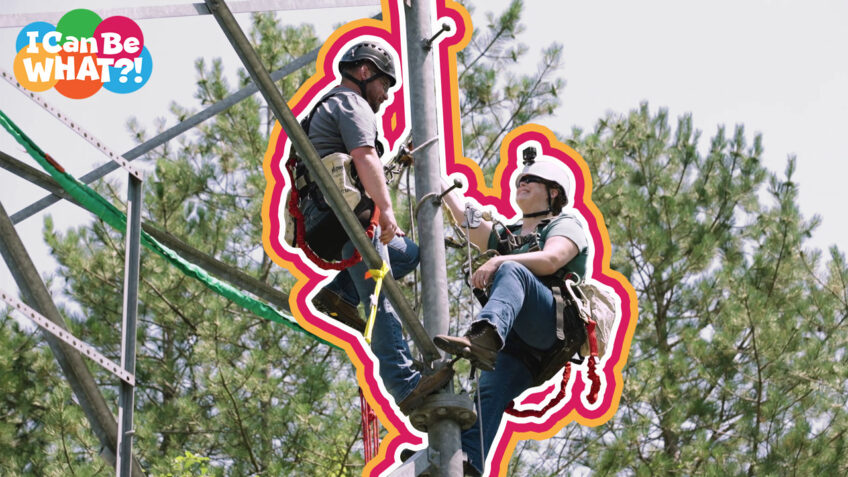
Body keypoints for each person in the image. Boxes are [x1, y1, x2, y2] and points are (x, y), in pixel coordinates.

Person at [295, 41, 453, 413]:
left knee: (408, 254)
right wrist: (385, 210)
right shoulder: (351, 103)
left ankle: (339, 294)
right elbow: (365, 158)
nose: (386, 95)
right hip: (346, 216)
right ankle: (404, 383)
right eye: (384, 84)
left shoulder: (333, 105)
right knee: (379, 294)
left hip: (331, 214)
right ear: (364, 72)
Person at [437, 151, 591, 475]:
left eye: (530, 180)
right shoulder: (511, 235)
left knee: (512, 272)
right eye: (519, 180)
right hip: (518, 351)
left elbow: (551, 260)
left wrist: (498, 261)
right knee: (487, 395)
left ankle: (485, 335)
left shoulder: (567, 225)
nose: (521, 183)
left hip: (551, 326)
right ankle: (465, 463)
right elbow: (469, 222)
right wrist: (434, 177)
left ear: (553, 192)